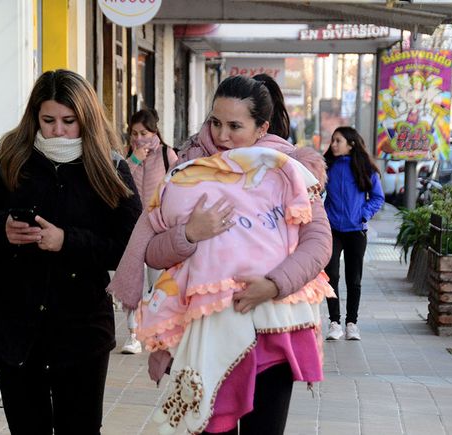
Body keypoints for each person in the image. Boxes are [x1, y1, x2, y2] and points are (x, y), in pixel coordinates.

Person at [109, 75, 333, 435]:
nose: (222, 136)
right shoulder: (188, 171)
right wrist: (189, 234)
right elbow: (153, 252)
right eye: (216, 122)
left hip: (272, 326)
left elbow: (319, 242)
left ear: (261, 128)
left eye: (235, 126)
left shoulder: (289, 169)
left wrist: (273, 285)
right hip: (206, 329)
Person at [0, 69, 141, 435]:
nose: (58, 131)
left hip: (82, 332)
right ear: (34, 117)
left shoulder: (109, 165)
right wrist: (1, 226)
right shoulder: (10, 156)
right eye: (49, 120)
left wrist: (67, 241)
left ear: (85, 118)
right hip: (15, 331)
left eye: (69, 122)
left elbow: (129, 247)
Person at [121, 108, 178, 355]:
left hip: (157, 229)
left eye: (143, 132)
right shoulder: (128, 157)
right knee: (134, 280)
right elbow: (118, 185)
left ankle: (154, 329)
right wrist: (134, 160)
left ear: (154, 131)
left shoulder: (167, 155)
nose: (139, 137)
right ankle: (133, 335)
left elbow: (177, 187)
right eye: (134, 133)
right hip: (132, 228)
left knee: (156, 285)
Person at [323, 126, 384, 341]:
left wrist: (363, 215)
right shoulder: (326, 167)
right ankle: (334, 323)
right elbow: (314, 191)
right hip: (332, 229)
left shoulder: (365, 168)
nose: (333, 145)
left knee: (353, 279)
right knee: (331, 276)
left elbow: (377, 197)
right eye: (332, 140)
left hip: (356, 230)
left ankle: (351, 323)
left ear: (351, 144)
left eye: (338, 140)